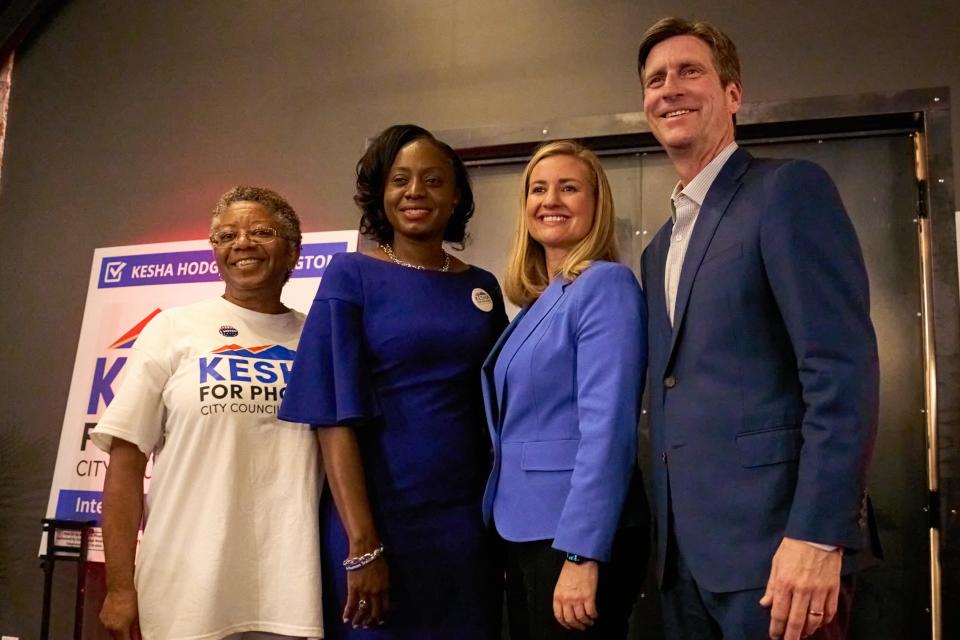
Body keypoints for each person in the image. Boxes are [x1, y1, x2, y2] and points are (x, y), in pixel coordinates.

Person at [636, 17, 882, 640]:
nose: (670, 89)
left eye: (690, 71)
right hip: (684, 566)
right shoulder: (658, 249)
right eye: (655, 79)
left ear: (733, 94)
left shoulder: (787, 191)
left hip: (780, 555)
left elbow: (840, 370)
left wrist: (819, 534)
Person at [278, 124, 508, 639]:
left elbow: (499, 409)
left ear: (455, 197)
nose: (415, 192)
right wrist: (363, 545)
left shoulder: (482, 287)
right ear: (381, 195)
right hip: (379, 523)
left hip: (465, 527)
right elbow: (332, 417)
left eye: (432, 180)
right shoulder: (350, 275)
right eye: (400, 179)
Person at [92, 186, 323, 640]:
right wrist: (120, 588)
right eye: (225, 235)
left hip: (291, 591)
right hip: (186, 591)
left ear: (293, 251)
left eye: (261, 231)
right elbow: (125, 463)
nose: (242, 243)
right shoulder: (172, 329)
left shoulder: (318, 337)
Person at [482, 140, 649, 639]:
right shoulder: (543, 301)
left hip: (573, 537)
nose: (549, 199)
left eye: (568, 188)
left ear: (596, 205)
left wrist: (582, 552)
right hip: (528, 532)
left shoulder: (606, 285)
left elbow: (608, 431)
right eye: (538, 189)